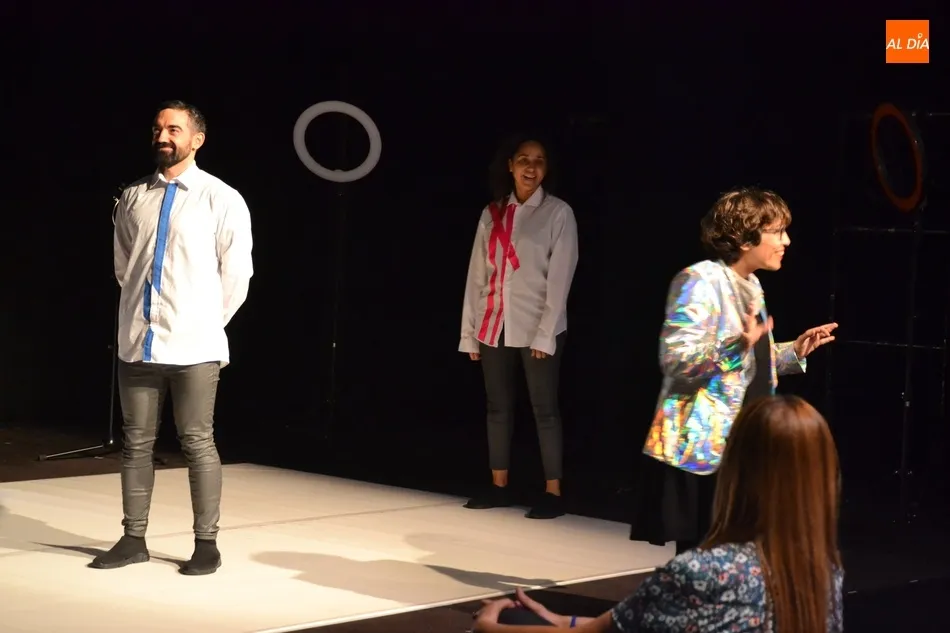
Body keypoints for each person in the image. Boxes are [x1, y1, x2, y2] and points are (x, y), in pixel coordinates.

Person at [473, 394, 845, 632]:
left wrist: (489, 627)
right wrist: (560, 618)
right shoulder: (823, 572)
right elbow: (618, 625)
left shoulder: (701, 572)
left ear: (735, 470)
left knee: (508, 618)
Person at [90, 100, 254, 575]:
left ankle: (206, 543)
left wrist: (204, 323)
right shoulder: (133, 196)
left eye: (174, 129)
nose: (163, 136)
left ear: (196, 140)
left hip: (195, 345)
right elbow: (125, 266)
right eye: (158, 128)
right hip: (139, 341)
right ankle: (133, 538)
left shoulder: (221, 198)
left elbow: (237, 274)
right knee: (136, 443)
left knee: (197, 441)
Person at [630, 186, 837, 554]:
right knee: (705, 551)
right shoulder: (700, 281)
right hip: (707, 443)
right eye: (777, 231)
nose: (786, 241)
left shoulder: (751, 284)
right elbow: (677, 360)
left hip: (744, 441)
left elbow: (746, 363)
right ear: (745, 238)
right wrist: (736, 347)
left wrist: (791, 351)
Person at [459, 136, 579, 520]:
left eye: (539, 161)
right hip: (493, 322)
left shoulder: (558, 213)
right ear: (510, 165)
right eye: (524, 160)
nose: (531, 167)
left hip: (537, 325)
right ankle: (499, 486)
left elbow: (560, 278)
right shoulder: (492, 213)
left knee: (545, 409)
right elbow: (477, 275)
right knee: (497, 407)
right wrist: (469, 333)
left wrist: (546, 332)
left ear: (546, 169)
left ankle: (553, 492)